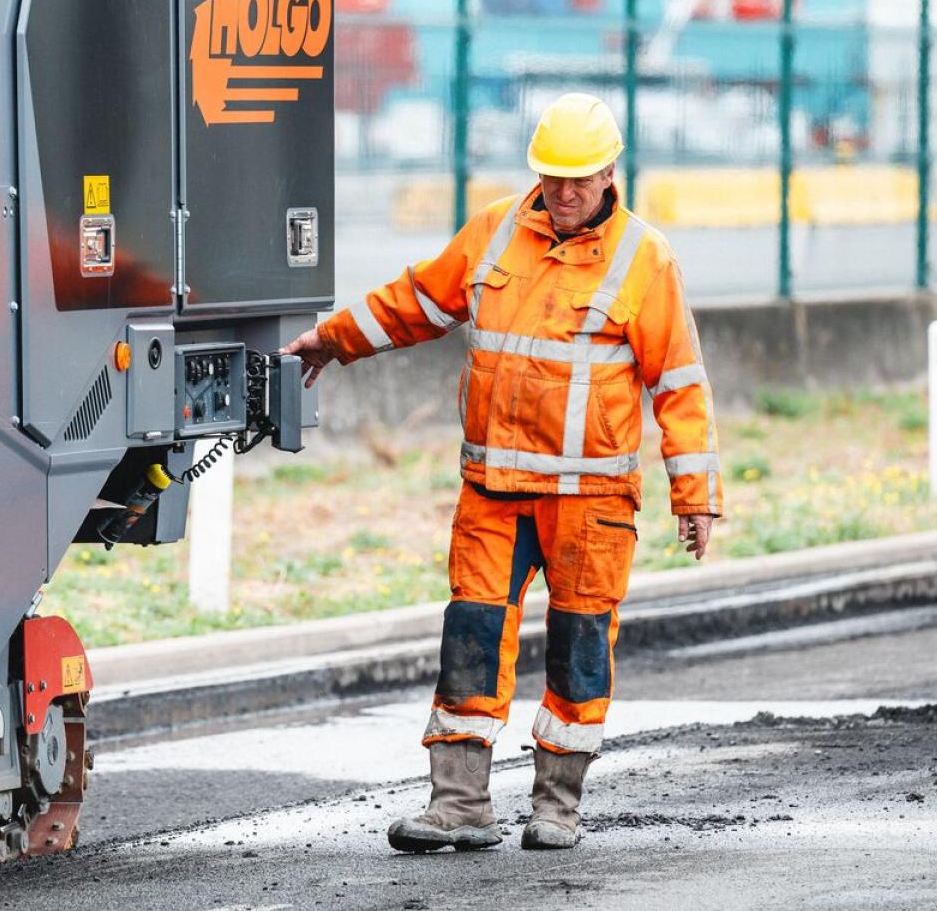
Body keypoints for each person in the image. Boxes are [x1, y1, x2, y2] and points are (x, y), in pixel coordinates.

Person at [281, 93, 723, 852]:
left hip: (591, 502)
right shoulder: (493, 233)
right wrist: (333, 340)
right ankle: (459, 806)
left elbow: (679, 382)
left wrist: (697, 497)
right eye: (552, 177)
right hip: (493, 494)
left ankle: (557, 807)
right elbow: (415, 301)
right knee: (472, 638)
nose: (565, 192)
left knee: (579, 649)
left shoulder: (643, 259)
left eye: (580, 178)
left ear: (611, 172)